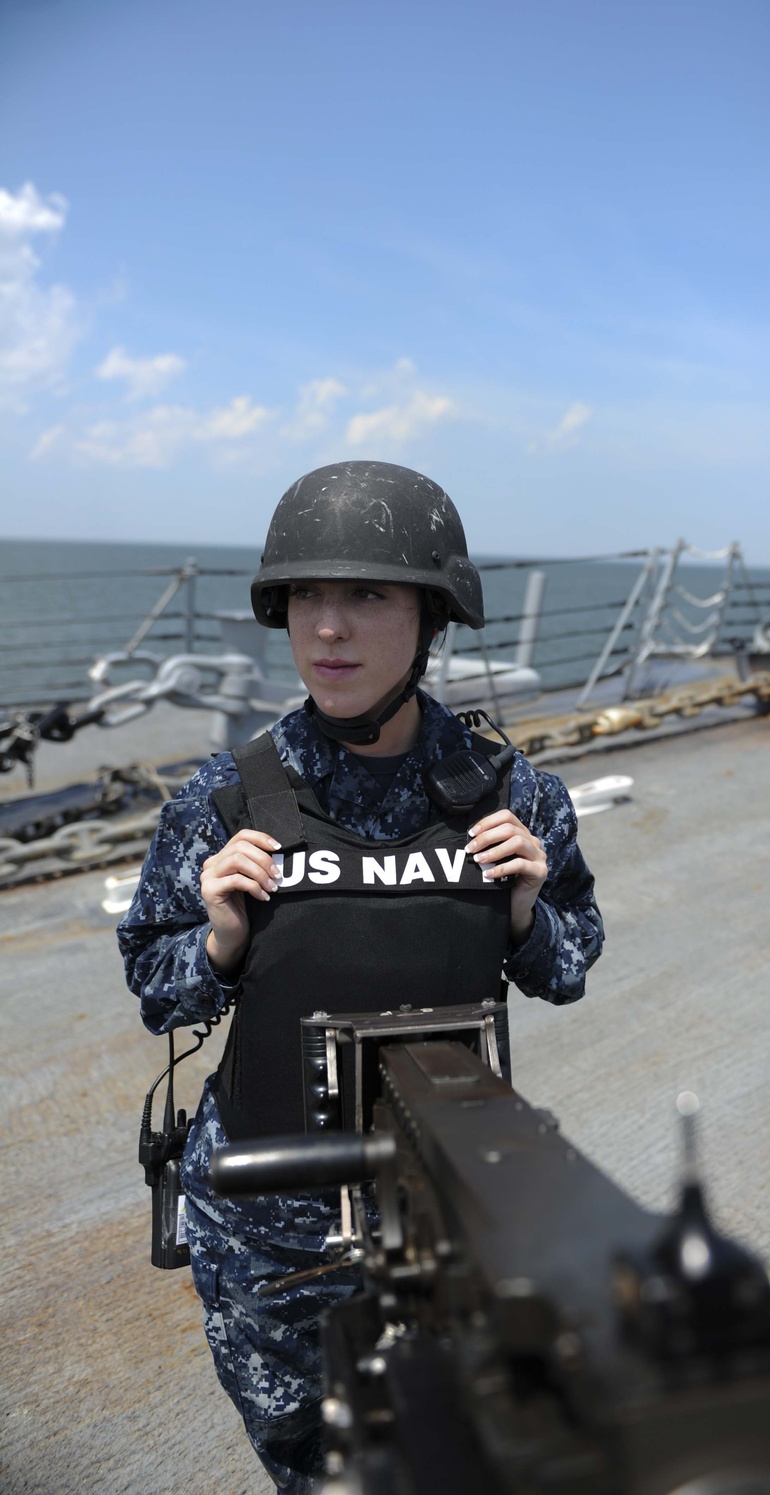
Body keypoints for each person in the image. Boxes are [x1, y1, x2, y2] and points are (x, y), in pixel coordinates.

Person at [118, 460, 604, 1492]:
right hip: (267, 1224)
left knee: (456, 1448)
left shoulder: (513, 797)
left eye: (366, 595)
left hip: (450, 1204)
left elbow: (568, 963)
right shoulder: (224, 800)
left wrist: (522, 911)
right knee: (311, 1462)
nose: (326, 628)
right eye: (306, 596)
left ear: (432, 616)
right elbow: (157, 988)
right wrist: (216, 940)